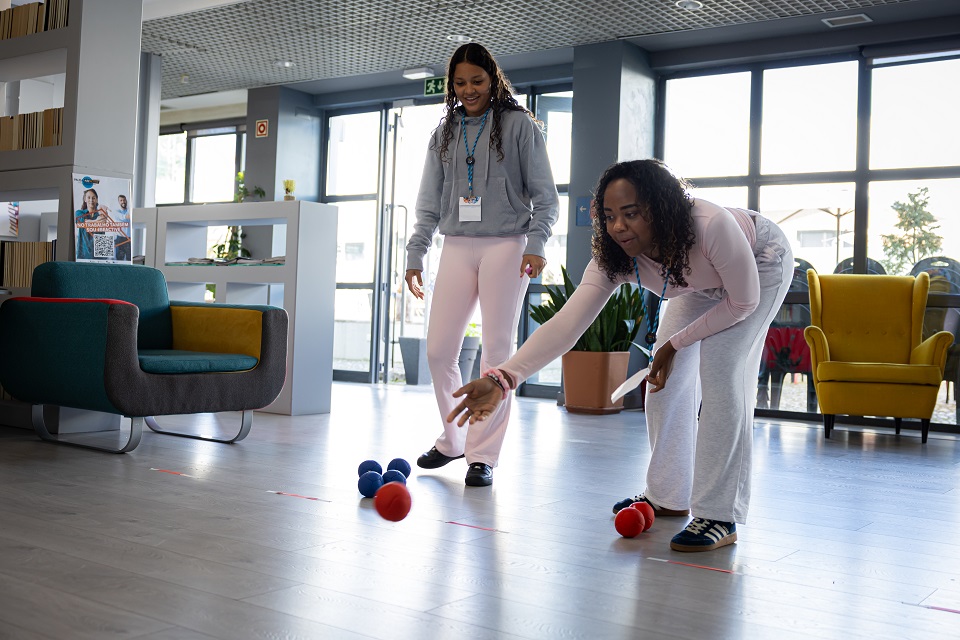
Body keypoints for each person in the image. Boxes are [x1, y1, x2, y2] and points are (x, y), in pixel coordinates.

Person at [447, 159, 793, 551]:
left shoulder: (709, 226)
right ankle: (667, 495)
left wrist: (675, 343)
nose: (618, 227)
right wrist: (502, 378)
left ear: (661, 208)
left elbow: (742, 302)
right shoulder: (614, 256)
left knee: (721, 371)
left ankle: (719, 514)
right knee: (664, 382)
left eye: (631, 214)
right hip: (695, 283)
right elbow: (566, 325)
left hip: (758, 266)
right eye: (610, 216)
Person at [405, 42, 559, 487]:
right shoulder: (444, 133)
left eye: (477, 80)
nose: (469, 89)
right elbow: (428, 204)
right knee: (438, 351)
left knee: (496, 353)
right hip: (456, 244)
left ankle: (483, 454)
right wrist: (416, 251)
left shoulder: (519, 125)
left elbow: (546, 198)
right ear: (451, 86)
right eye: (460, 82)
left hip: (507, 246)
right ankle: (453, 440)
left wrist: (537, 244)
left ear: (493, 80)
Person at [75, 188, 107, 261]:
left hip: (99, 256)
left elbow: (104, 221)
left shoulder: (101, 213)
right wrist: (97, 221)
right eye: (88, 197)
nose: (91, 200)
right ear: (85, 199)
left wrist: (104, 214)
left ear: (96, 200)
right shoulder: (79, 213)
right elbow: (85, 223)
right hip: (83, 255)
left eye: (93, 198)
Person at [113, 194, 132, 262]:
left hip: (129, 238)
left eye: (124, 200)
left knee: (129, 258)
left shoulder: (129, 210)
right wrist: (131, 215)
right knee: (119, 259)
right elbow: (124, 217)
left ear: (126, 201)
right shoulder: (116, 212)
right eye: (121, 200)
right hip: (120, 238)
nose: (123, 202)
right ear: (118, 202)